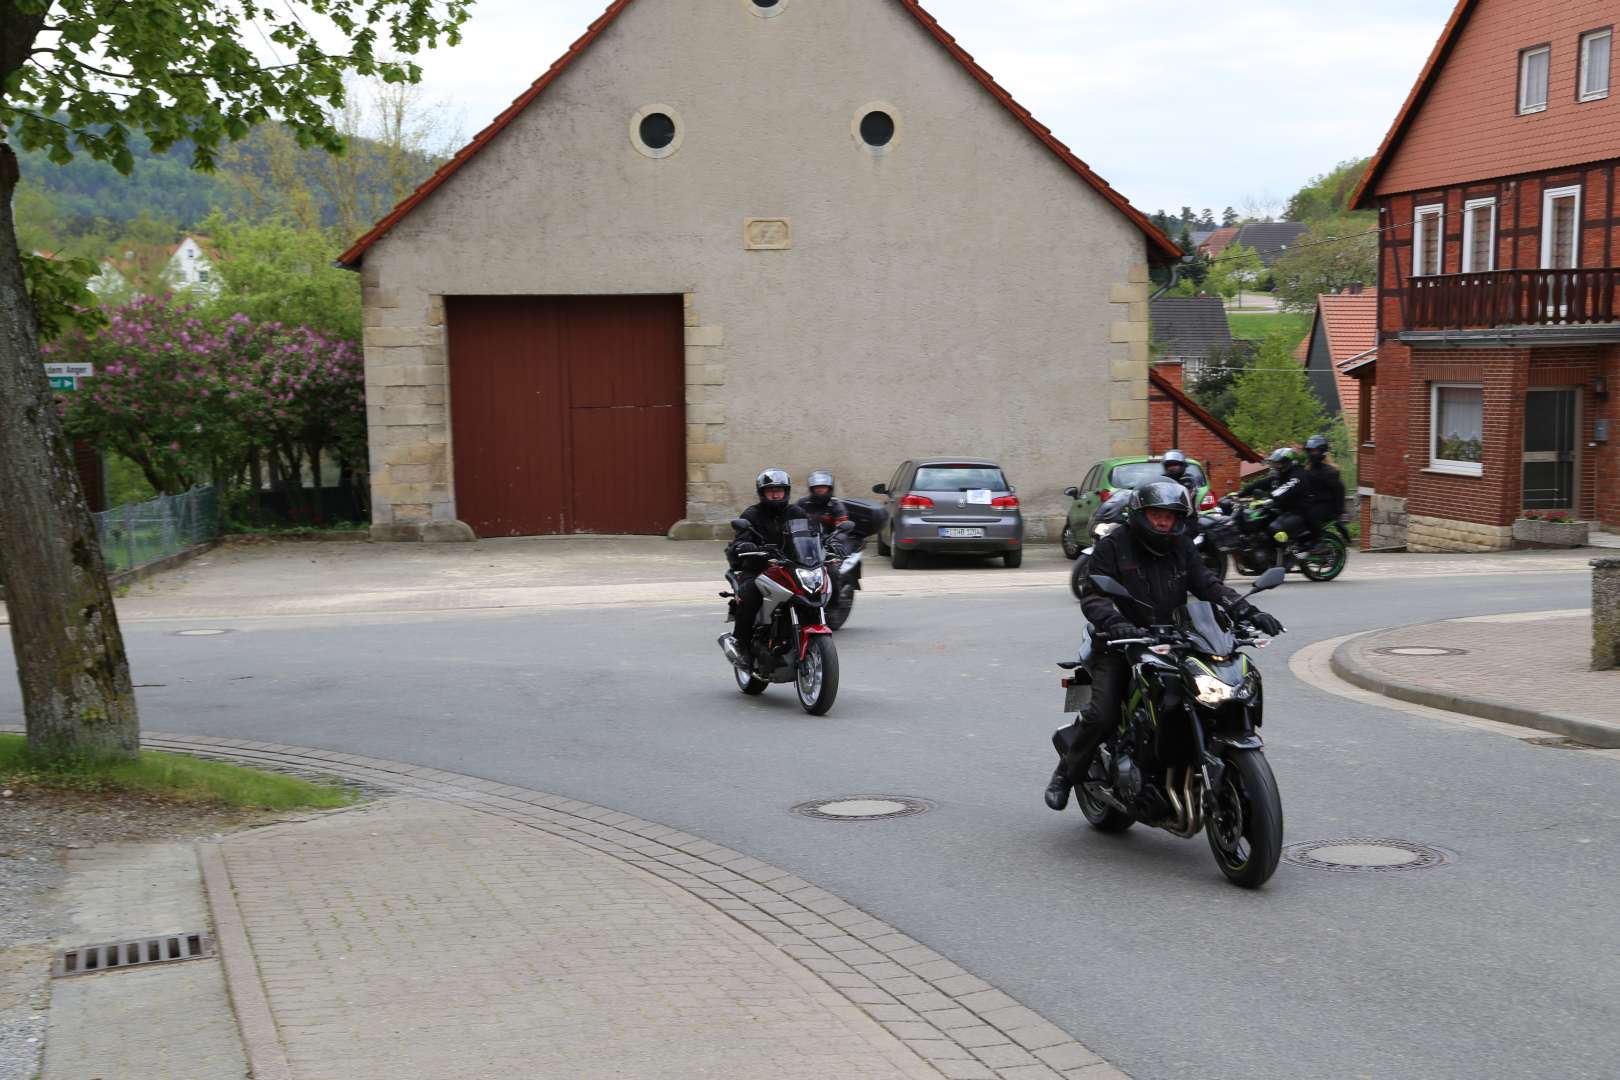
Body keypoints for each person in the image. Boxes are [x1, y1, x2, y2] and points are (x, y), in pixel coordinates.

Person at [1044, 480, 1284, 811]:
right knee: (1102, 715)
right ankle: (1065, 775)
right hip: (1118, 642)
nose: (1162, 522)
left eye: (1169, 516)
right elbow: (1094, 596)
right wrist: (1117, 623)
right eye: (1156, 514)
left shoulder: (1182, 546)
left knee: (1211, 690)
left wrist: (1247, 611)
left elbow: (1208, 585)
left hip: (1172, 638)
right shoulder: (1115, 544)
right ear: (1141, 515)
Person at [724, 469, 809, 669]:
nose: (776, 494)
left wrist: (828, 545)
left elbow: (811, 535)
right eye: (771, 490)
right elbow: (740, 539)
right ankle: (741, 645)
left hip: (790, 568)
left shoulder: (796, 513)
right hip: (758, 568)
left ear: (786, 491)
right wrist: (745, 546)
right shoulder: (752, 514)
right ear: (762, 493)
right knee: (750, 592)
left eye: (779, 490)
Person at [1301, 435, 1346, 533]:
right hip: (1313, 503)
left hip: (1327, 506)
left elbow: (1340, 491)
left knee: (1309, 516)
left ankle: (1318, 541)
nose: (1312, 453)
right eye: (1310, 451)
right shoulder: (1307, 469)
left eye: (1315, 451)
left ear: (1322, 451)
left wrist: (1340, 513)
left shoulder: (1330, 472)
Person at [796, 471, 852, 541]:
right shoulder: (802, 502)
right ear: (812, 488)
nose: (820, 489)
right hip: (803, 540)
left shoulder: (836, 506)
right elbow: (790, 520)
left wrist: (837, 538)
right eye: (817, 487)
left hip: (827, 542)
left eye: (823, 487)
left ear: (829, 488)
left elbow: (842, 529)